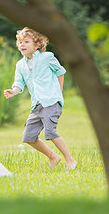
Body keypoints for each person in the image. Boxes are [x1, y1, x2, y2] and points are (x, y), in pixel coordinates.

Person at [4, 27, 77, 170]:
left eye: (26, 41)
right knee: (29, 137)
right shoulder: (20, 65)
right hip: (37, 105)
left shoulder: (47, 57)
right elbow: (19, 83)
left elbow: (60, 72)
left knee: (50, 132)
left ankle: (70, 160)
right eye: (20, 42)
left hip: (51, 102)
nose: (22, 45)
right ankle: (53, 156)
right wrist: (14, 91)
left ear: (37, 45)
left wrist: (59, 93)